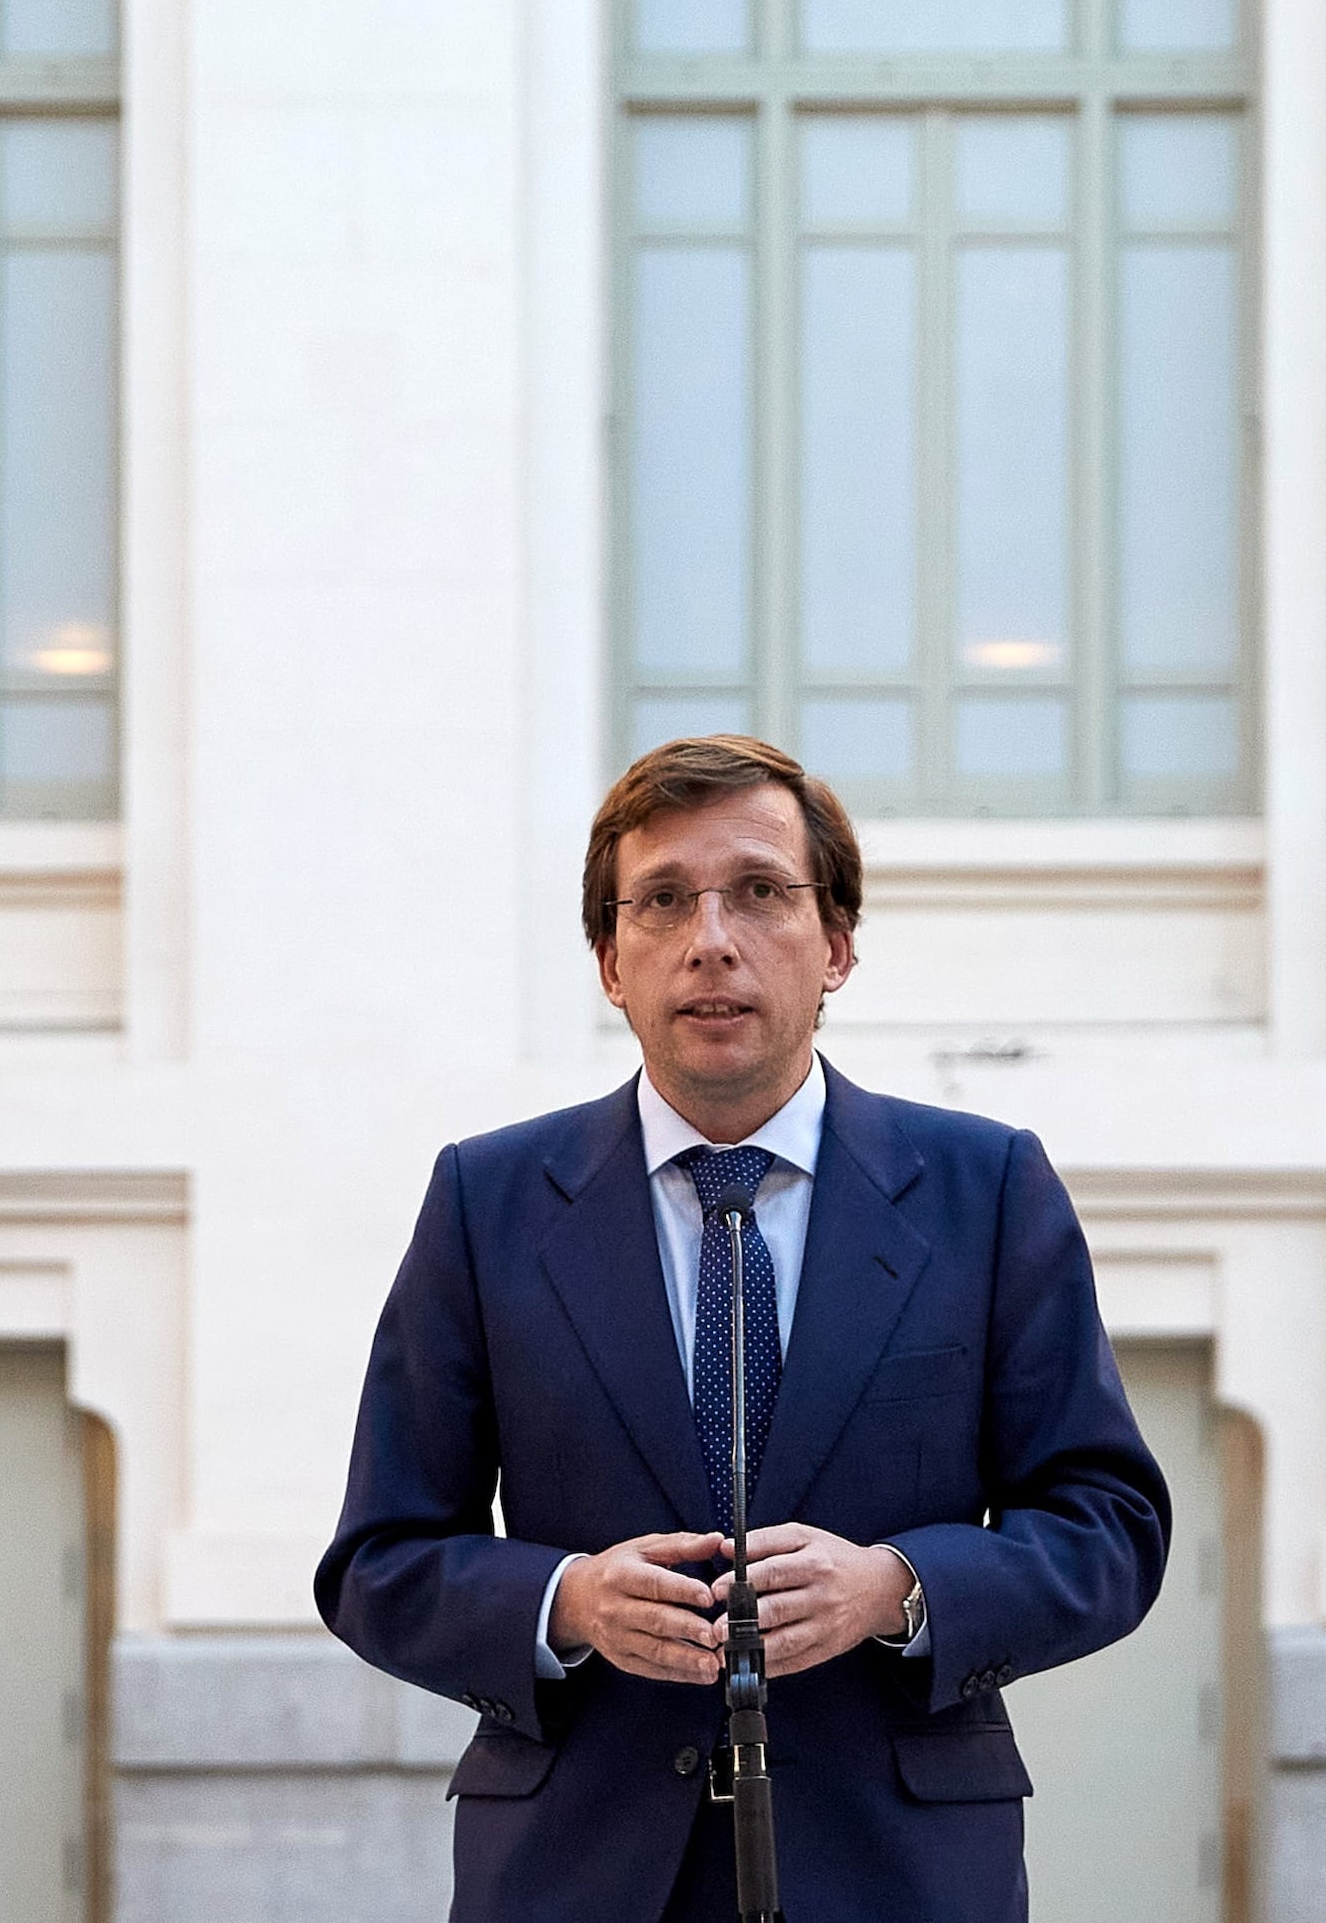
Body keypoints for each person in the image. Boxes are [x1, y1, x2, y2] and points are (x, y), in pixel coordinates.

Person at [318, 734, 1170, 1923]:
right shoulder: (487, 1202)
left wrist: (897, 1586)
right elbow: (380, 1560)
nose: (710, 936)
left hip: (898, 1875)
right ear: (612, 960)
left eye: (760, 891)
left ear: (836, 946)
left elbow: (1108, 1525)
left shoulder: (986, 1190)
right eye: (662, 900)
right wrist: (567, 1602)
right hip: (579, 1872)